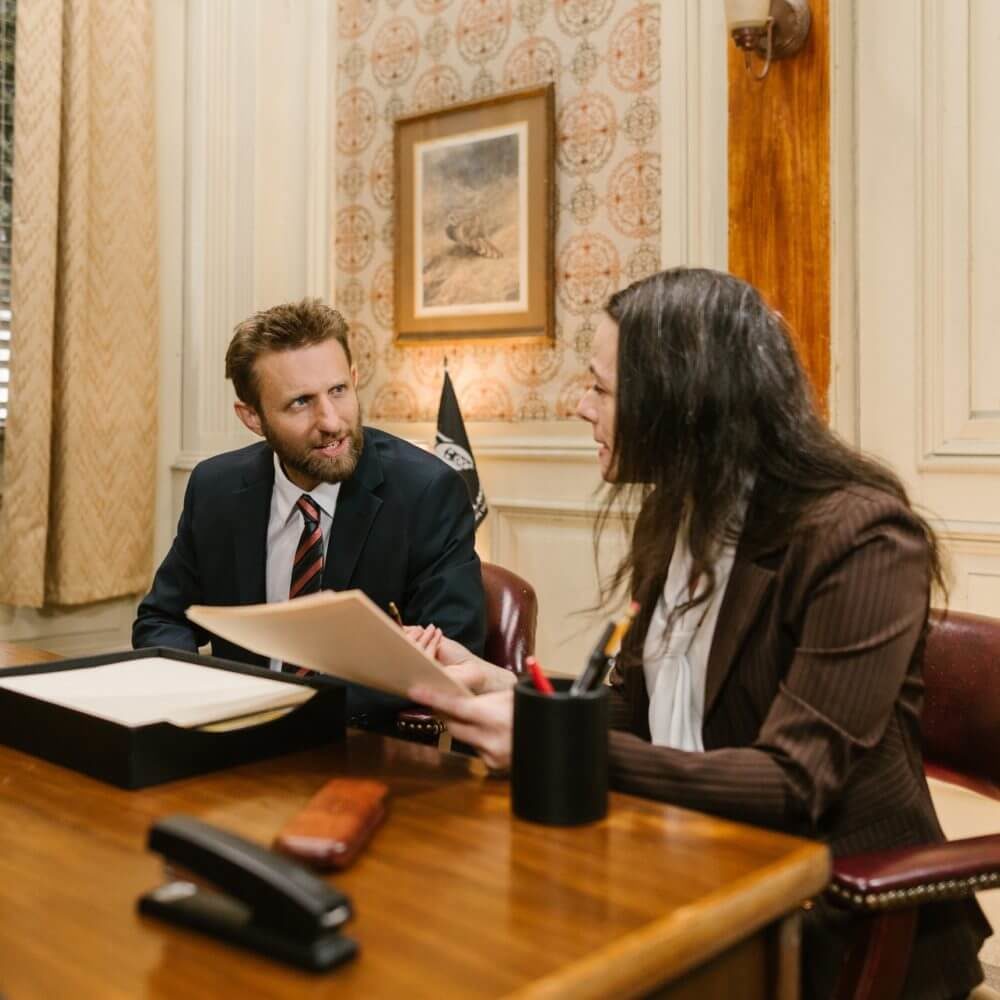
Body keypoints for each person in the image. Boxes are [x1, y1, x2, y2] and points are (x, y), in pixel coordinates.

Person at [406, 268, 990, 999]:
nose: (580, 406)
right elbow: (634, 709)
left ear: (684, 404)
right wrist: (504, 683)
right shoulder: (679, 512)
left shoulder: (862, 536)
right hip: (683, 865)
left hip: (832, 918)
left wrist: (552, 743)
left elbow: (792, 783)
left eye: (602, 388)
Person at [133, 299, 485, 727]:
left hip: (361, 751)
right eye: (300, 403)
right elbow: (163, 617)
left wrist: (296, 715)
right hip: (230, 742)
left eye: (338, 390)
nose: (331, 421)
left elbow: (451, 651)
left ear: (354, 380)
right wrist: (197, 696)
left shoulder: (427, 492)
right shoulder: (216, 489)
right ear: (252, 418)